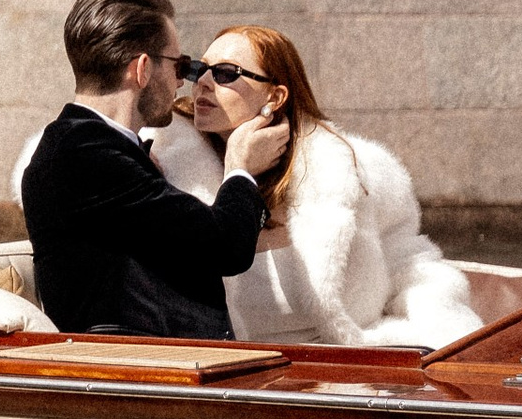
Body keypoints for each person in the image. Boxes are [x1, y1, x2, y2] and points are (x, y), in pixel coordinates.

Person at [186, 29, 481, 348]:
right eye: (198, 69)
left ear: (275, 97)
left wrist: (450, 341)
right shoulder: (173, 177)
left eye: (225, 73)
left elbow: (412, 270)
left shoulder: (353, 171)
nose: (203, 82)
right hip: (223, 371)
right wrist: (238, 169)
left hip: (346, 365)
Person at [22, 0, 284, 338]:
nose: (183, 84)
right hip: (130, 365)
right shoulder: (86, 156)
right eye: (180, 66)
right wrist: (241, 168)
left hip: (154, 360)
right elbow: (226, 247)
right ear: (143, 69)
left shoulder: (88, 147)